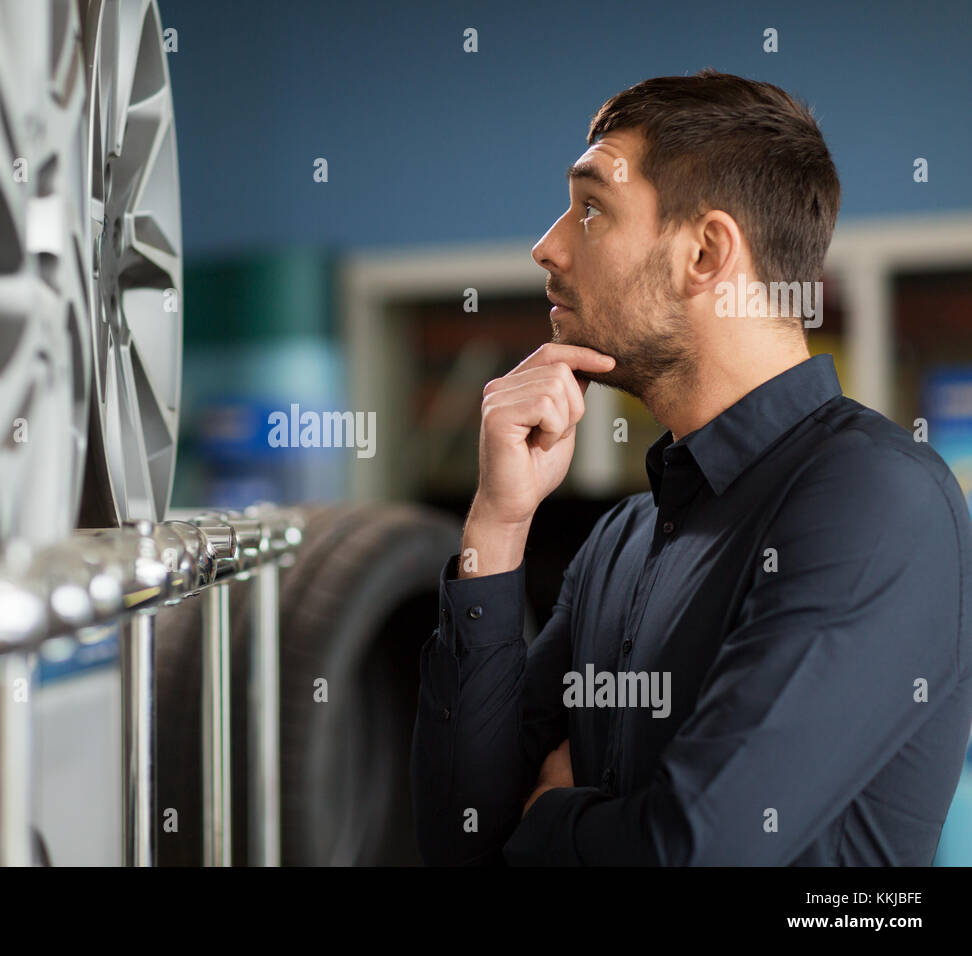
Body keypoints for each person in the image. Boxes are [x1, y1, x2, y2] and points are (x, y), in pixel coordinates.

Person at [410, 69, 972, 865]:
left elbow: (695, 851)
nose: (547, 245)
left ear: (706, 252)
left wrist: (546, 821)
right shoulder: (623, 539)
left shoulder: (878, 500)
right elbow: (459, 841)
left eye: (591, 207)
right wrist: (497, 528)